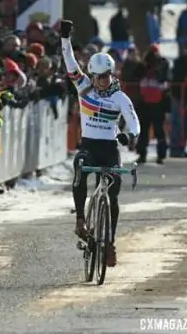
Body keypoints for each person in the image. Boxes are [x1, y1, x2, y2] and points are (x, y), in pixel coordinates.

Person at [60, 19, 140, 268]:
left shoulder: (120, 97)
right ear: (92, 76)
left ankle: (110, 243)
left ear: (111, 74)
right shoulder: (84, 87)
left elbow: (134, 121)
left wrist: (129, 136)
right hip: (89, 147)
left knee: (113, 197)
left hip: (109, 150)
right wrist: (65, 38)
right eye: (98, 77)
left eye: (106, 76)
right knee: (80, 165)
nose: (102, 81)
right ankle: (81, 220)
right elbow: (70, 62)